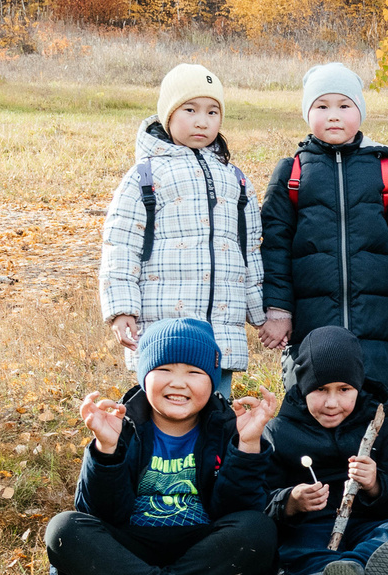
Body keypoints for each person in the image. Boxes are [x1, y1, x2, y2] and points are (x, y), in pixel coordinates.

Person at [47, 318, 272, 575]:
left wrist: (247, 445)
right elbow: (99, 514)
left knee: (259, 528)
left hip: (199, 548)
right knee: (64, 528)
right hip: (130, 549)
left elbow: (235, 511)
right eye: (164, 370)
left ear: (212, 380)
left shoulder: (228, 426)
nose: (178, 383)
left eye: (194, 372)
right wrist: (106, 448)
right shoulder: (119, 424)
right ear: (143, 376)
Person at [259, 63, 388, 404]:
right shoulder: (291, 173)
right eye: (322, 106)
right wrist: (278, 311)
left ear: (360, 111)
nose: (333, 116)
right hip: (313, 320)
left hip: (377, 323)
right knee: (314, 404)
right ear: (308, 113)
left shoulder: (387, 168)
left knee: (373, 410)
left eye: (344, 105)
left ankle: (378, 460)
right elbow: (274, 247)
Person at [98, 62, 265, 375]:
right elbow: (120, 246)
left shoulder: (237, 180)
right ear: (169, 115)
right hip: (163, 334)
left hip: (221, 335)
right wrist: (121, 309)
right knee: (164, 415)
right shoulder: (145, 176)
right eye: (190, 110)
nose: (202, 121)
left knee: (217, 416)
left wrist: (261, 316)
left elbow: (250, 252)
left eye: (212, 112)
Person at [261, 327, 388, 575]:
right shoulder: (279, 432)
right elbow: (260, 499)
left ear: (358, 386)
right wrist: (291, 500)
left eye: (344, 390)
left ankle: (352, 572)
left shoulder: (380, 425)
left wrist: (376, 484)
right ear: (303, 386)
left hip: (365, 524)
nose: (332, 403)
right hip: (310, 528)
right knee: (293, 548)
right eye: (320, 390)